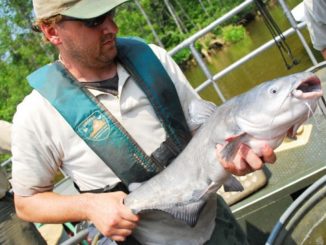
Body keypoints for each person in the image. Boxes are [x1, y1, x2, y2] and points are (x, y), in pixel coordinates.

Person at [11, 0, 276, 244]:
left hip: (214, 223)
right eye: (93, 22)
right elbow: (26, 203)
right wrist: (89, 205)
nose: (112, 27)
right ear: (51, 31)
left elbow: (202, 130)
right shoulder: (36, 116)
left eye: (110, 15)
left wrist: (234, 152)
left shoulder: (154, 59)